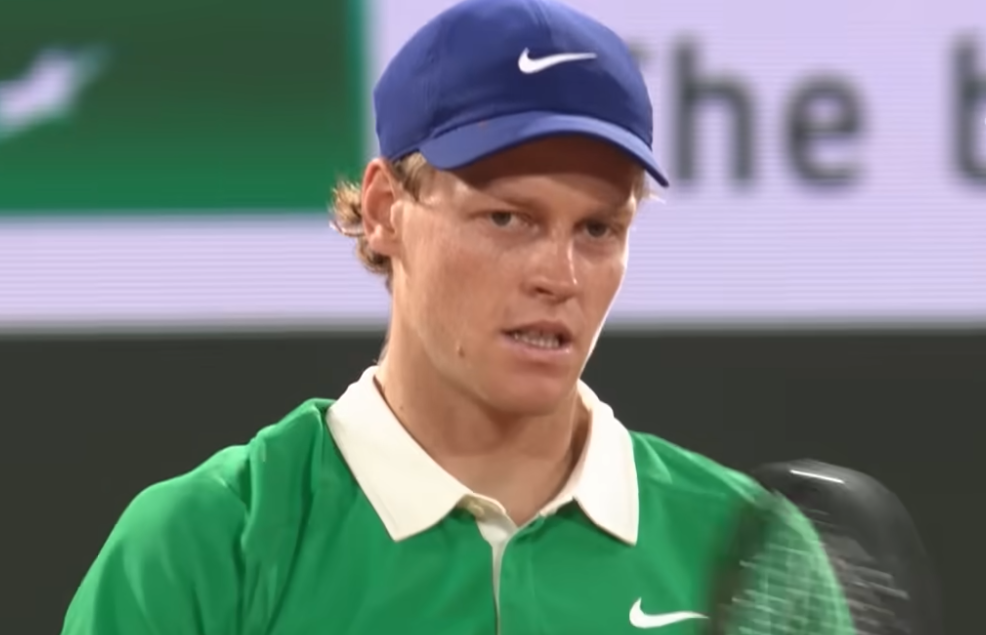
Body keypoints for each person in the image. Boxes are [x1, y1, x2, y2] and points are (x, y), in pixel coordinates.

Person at [62, 0, 853, 633]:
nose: (559, 276)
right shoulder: (204, 547)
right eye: (507, 218)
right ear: (384, 210)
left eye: (598, 229)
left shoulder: (749, 557)